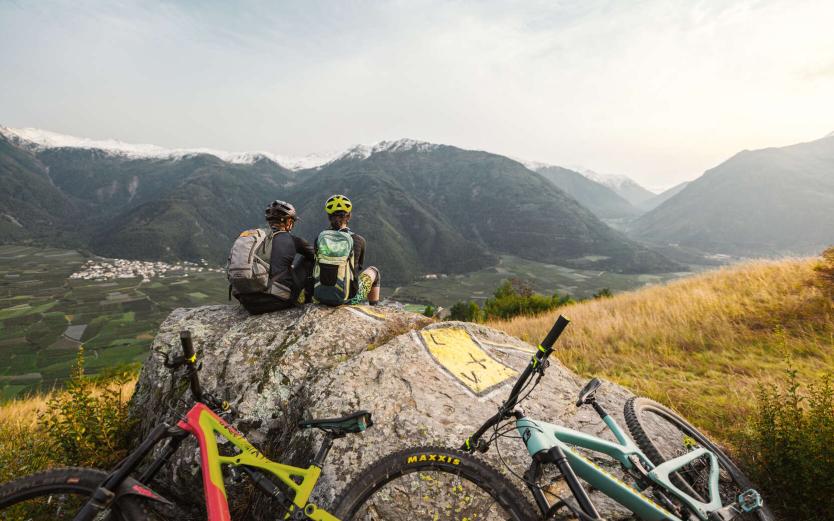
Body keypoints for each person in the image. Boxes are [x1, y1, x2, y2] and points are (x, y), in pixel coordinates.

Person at [235, 200, 315, 314]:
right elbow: (318, 257)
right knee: (308, 260)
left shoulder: (257, 239)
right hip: (277, 301)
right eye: (292, 221)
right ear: (288, 221)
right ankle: (308, 303)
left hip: (247, 302)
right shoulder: (294, 241)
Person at [315, 194, 381, 305]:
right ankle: (374, 308)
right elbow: (357, 268)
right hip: (348, 299)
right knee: (374, 271)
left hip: (320, 296)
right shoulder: (359, 240)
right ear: (349, 216)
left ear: (329, 217)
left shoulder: (320, 239)